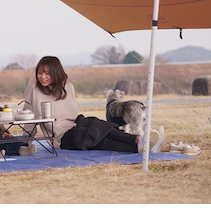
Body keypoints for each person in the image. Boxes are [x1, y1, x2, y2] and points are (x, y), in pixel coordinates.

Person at [24, 56, 165, 153]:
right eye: (40, 73)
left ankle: (140, 143)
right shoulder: (33, 89)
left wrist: (78, 124)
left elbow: (72, 115)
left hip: (77, 125)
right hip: (61, 138)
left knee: (102, 128)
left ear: (55, 73)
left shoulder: (67, 86)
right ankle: (140, 142)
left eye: (47, 73)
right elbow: (28, 118)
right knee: (97, 139)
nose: (42, 77)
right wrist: (25, 143)